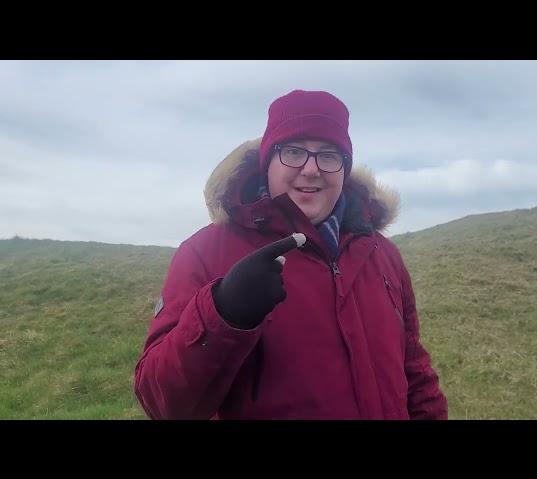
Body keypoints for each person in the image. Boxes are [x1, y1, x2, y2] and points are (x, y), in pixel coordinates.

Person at [134, 89, 447, 420]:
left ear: (344, 167)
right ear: (268, 161)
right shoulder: (203, 254)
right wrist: (222, 314)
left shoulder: (382, 254)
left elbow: (415, 374)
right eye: (294, 152)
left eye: (328, 155)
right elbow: (162, 403)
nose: (311, 170)